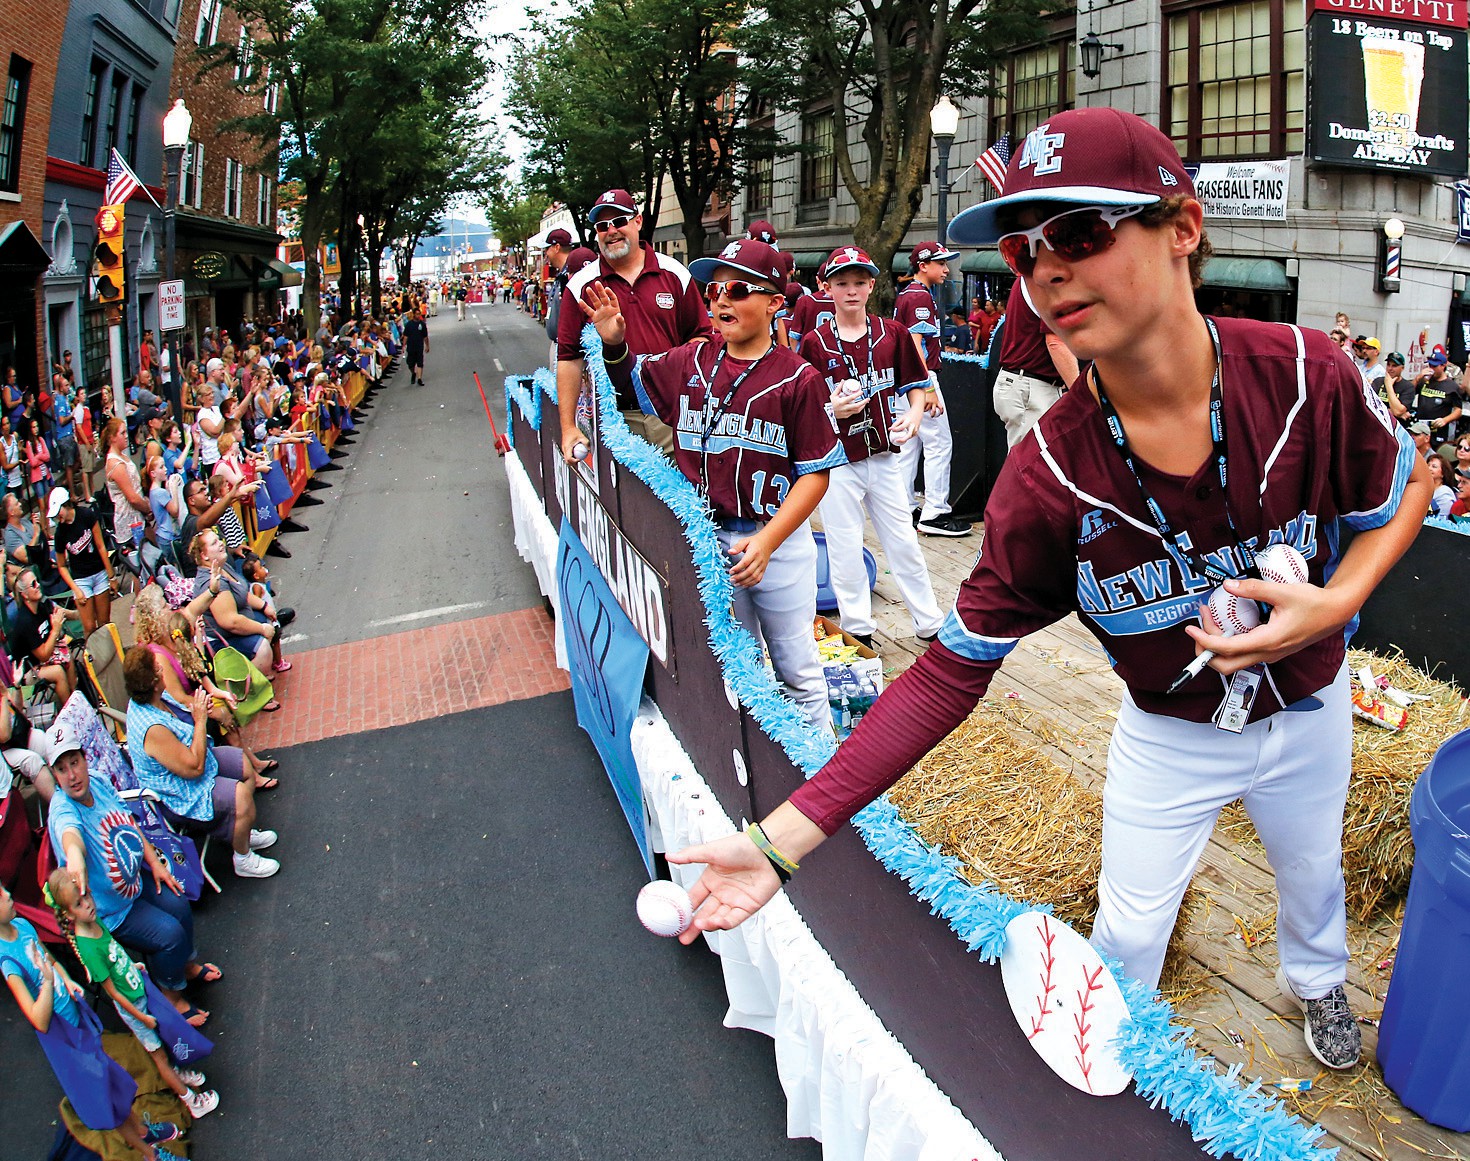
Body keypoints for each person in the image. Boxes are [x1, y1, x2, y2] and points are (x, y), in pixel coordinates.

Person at [668, 108, 1431, 1076]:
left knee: (1317, 878)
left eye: (1079, 234)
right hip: (1171, 731)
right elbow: (950, 674)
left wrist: (1338, 600)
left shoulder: (1301, 373)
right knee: (1125, 934)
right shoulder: (1046, 475)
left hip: (1311, 707)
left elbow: (1407, 487)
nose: (1045, 274)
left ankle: (1319, 981)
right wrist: (778, 844)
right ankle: (1114, 1088)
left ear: (1183, 228)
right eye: (1026, 253)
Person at [582, 237, 843, 732]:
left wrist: (768, 541)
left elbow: (815, 476)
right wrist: (615, 343)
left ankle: (818, 789)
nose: (722, 299)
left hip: (774, 538)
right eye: (715, 289)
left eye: (740, 289)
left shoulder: (798, 378)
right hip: (705, 540)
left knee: (798, 673)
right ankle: (754, 778)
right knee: (737, 671)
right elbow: (628, 384)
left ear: (774, 303)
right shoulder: (692, 359)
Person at [798, 246, 944, 647]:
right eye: (841, 283)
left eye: (859, 282)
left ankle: (929, 620)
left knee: (903, 539)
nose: (851, 290)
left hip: (882, 453)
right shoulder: (815, 342)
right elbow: (806, 407)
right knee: (844, 545)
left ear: (871, 285)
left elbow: (916, 386)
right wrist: (832, 407)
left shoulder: (890, 332)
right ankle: (857, 624)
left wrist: (914, 416)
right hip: (838, 458)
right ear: (826, 287)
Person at [44, 719, 214, 1028]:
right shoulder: (63, 809)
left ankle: (185, 965)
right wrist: (74, 859)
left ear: (84, 758)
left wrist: (156, 863)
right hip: (112, 910)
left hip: (135, 880)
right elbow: (70, 835)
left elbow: (128, 823)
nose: (72, 775)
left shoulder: (96, 780)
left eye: (74, 762)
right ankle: (171, 995)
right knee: (169, 934)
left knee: (179, 903)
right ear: (54, 775)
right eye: (61, 769)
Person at [47, 870, 219, 1122]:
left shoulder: (96, 923)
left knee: (167, 1038)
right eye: (79, 904)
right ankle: (192, 1102)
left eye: (86, 897)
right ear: (69, 914)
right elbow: (113, 993)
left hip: (139, 988)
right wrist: (142, 1017)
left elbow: (115, 953)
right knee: (158, 1055)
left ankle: (179, 1072)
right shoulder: (88, 948)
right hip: (134, 1007)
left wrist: (132, 967)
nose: (88, 905)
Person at [557, 189, 712, 461]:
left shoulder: (675, 273)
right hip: (613, 420)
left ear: (638, 221)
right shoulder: (580, 285)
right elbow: (569, 358)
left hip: (672, 413)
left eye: (619, 221)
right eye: (602, 226)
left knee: (684, 498)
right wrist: (568, 427)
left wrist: (671, 371)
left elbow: (701, 337)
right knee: (624, 503)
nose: (611, 230)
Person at [124, 646, 280, 879]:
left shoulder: (157, 696)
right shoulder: (152, 729)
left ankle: (240, 829)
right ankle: (243, 858)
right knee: (241, 797)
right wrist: (200, 721)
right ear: (153, 683)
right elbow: (194, 769)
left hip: (194, 758)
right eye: (158, 669)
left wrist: (203, 708)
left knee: (244, 766)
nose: (162, 667)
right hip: (177, 792)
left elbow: (185, 713)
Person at [892, 242, 969, 537]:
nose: (946, 269)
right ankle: (935, 512)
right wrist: (927, 387)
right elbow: (915, 344)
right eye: (941, 263)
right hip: (920, 379)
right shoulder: (920, 297)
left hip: (903, 381)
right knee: (938, 445)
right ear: (923, 265)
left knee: (908, 446)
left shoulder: (907, 295)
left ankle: (903, 508)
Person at [993, 275, 1079, 449]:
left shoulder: (1029, 277)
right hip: (1029, 386)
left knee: (1034, 466)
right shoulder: (1044, 279)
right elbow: (1055, 343)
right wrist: (1080, 392)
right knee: (1030, 468)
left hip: (1027, 383)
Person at [48, 488, 119, 635]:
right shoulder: (60, 534)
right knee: (89, 628)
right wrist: (75, 589)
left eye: (58, 512)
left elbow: (100, 546)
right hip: (81, 579)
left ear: (66, 505)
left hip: (99, 573)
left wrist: (111, 576)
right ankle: (93, 657)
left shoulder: (86, 515)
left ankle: (112, 654)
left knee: (104, 623)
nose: (56, 518)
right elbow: (61, 566)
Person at [10, 567, 77, 703]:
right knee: (57, 671)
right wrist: (56, 630)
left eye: (37, 581)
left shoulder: (41, 606)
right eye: (33, 584)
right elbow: (44, 654)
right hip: (27, 670)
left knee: (65, 651)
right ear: (25, 595)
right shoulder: (25, 622)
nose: (38, 585)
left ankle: (74, 695)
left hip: (42, 659)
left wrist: (80, 613)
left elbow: (61, 613)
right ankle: (69, 711)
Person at [102, 417, 149, 551]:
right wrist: (147, 508)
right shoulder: (115, 464)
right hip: (129, 521)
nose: (126, 436)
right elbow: (132, 498)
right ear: (112, 438)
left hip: (137, 516)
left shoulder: (122, 456)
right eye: (122, 433)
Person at [1409, 350, 1461, 446]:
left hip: (1439, 428)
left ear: (1443, 365)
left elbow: (1458, 410)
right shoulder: (1424, 380)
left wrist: (1445, 420)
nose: (1431, 369)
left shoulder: (1452, 386)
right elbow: (1409, 393)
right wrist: (1418, 378)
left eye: (1435, 366)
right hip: (1421, 425)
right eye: (1430, 366)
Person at [403, 306, 429, 386]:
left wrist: (427, 345)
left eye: (419, 314)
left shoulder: (422, 324)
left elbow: (425, 336)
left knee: (420, 362)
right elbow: (405, 336)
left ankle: (419, 378)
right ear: (414, 315)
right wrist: (403, 346)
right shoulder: (409, 325)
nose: (418, 316)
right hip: (411, 346)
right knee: (410, 363)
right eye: (417, 314)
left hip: (419, 346)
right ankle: (413, 373)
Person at [1427, 452, 1456, 516]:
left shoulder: (1445, 493)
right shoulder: (1424, 489)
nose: (1429, 468)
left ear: (1443, 473)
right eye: (1428, 465)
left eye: (1434, 466)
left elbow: (1443, 519)